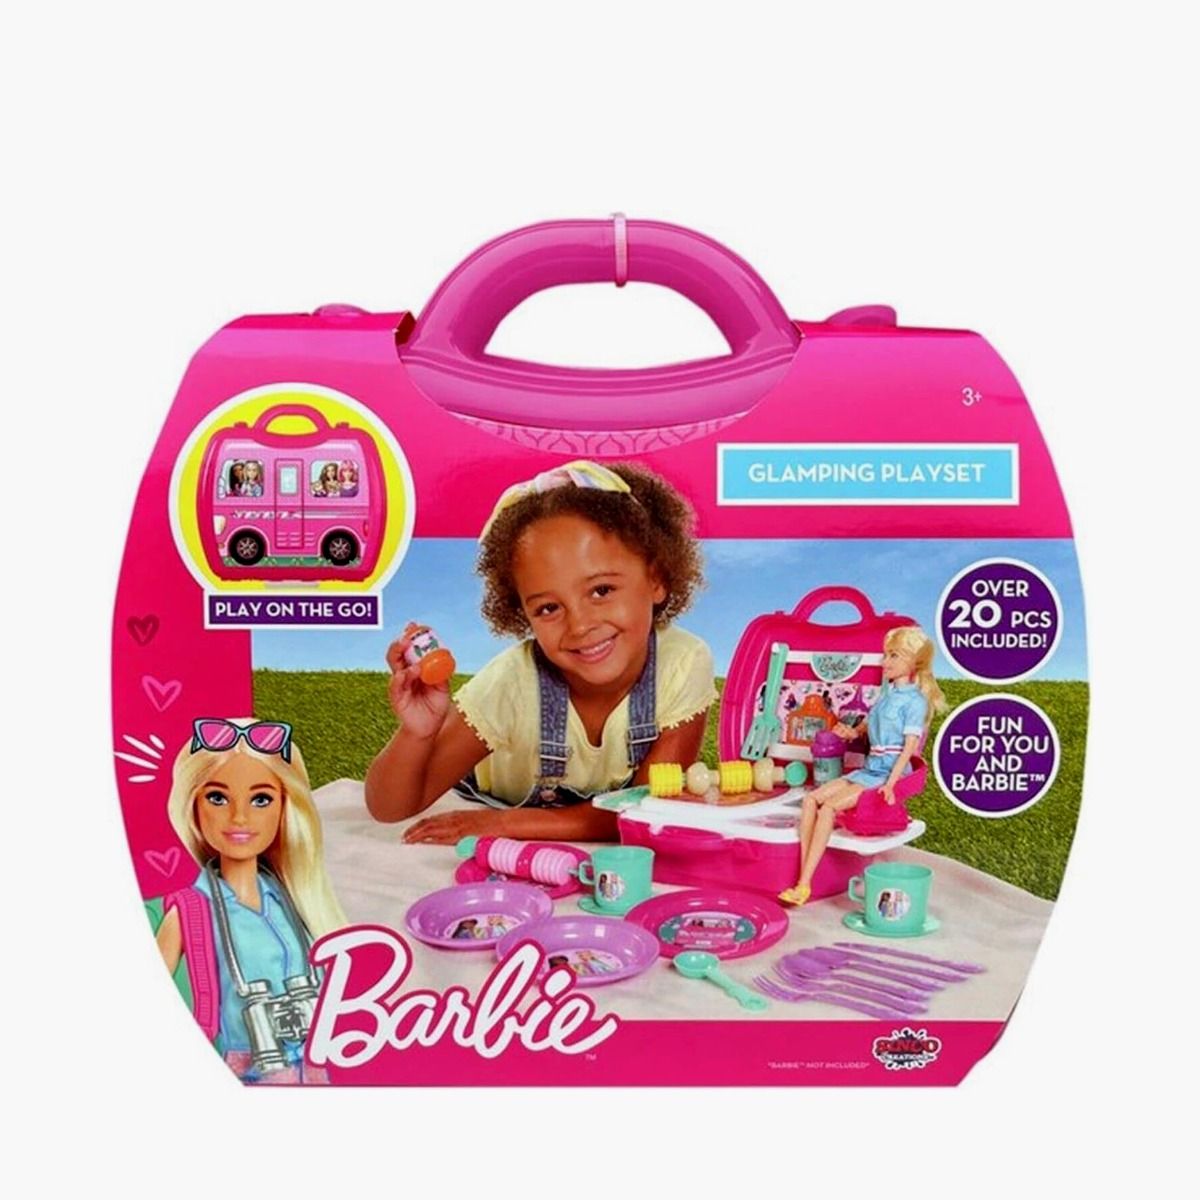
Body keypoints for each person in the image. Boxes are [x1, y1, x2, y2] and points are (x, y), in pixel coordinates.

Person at [365, 460, 715, 843]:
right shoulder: (512, 683)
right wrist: (417, 734)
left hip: (515, 820)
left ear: (656, 579)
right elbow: (389, 808)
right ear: (522, 613)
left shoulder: (682, 664)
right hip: (496, 798)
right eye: (548, 608)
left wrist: (505, 826)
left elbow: (645, 809)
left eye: (601, 591)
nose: (580, 626)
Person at [155, 719, 345, 1083]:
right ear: (192, 807)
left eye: (261, 800)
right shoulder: (192, 910)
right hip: (249, 1072)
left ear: (285, 807)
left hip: (317, 1066)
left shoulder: (295, 895)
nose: (239, 817)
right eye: (217, 798)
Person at [779, 625, 947, 906]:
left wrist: (891, 784)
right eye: (886, 655)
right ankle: (804, 879)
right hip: (869, 770)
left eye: (893, 656)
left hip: (885, 773)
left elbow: (909, 748)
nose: (885, 661)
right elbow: (870, 724)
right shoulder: (888, 694)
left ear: (912, 661)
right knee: (810, 800)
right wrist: (852, 732)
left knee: (829, 807)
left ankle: (804, 883)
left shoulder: (915, 702)